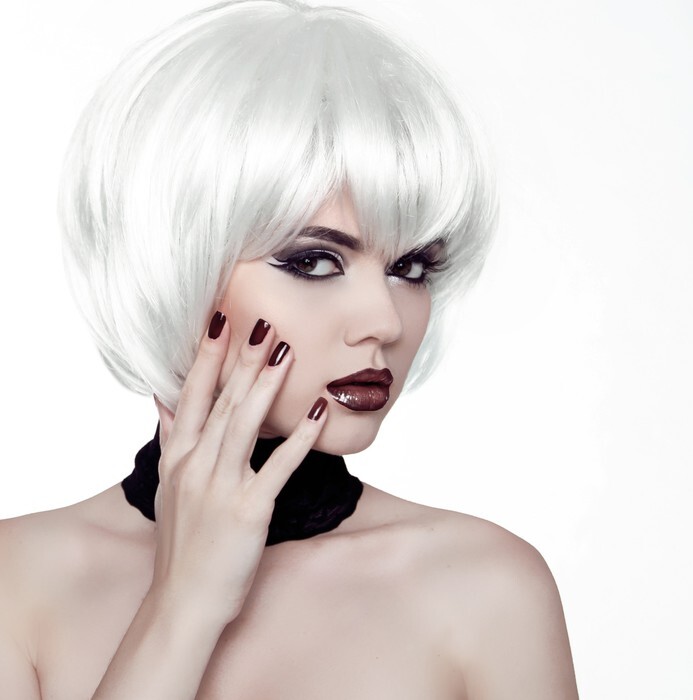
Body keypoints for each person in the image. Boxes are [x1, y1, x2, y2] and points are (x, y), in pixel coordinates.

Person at [0, 1, 579, 698]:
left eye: (410, 267)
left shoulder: (486, 589)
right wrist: (182, 606)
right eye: (313, 262)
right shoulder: (17, 584)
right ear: (176, 266)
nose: (384, 322)